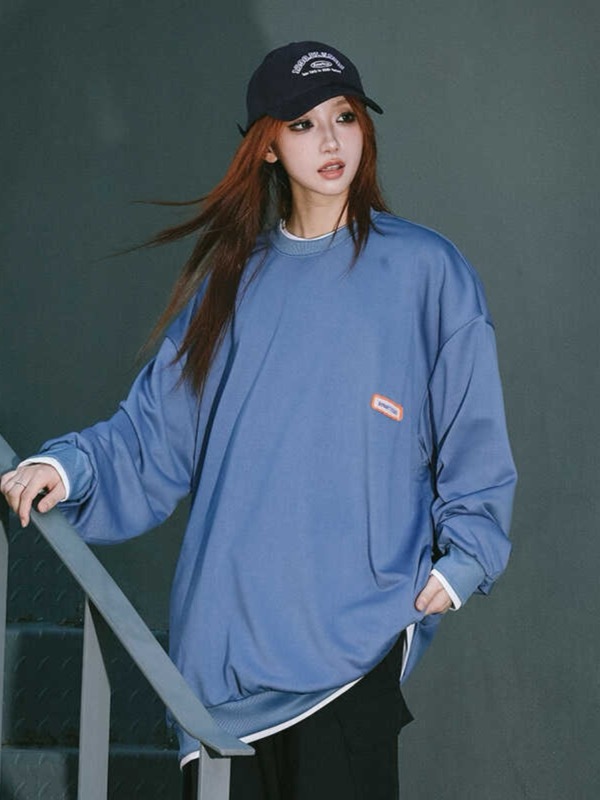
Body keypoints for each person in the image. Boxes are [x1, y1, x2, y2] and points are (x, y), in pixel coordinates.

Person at [1, 41, 516, 799]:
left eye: (345, 117)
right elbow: (152, 438)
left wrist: (467, 556)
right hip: (219, 671)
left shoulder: (426, 271)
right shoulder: (232, 281)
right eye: (302, 124)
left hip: (348, 659)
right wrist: (68, 465)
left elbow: (474, 433)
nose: (331, 140)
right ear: (267, 146)